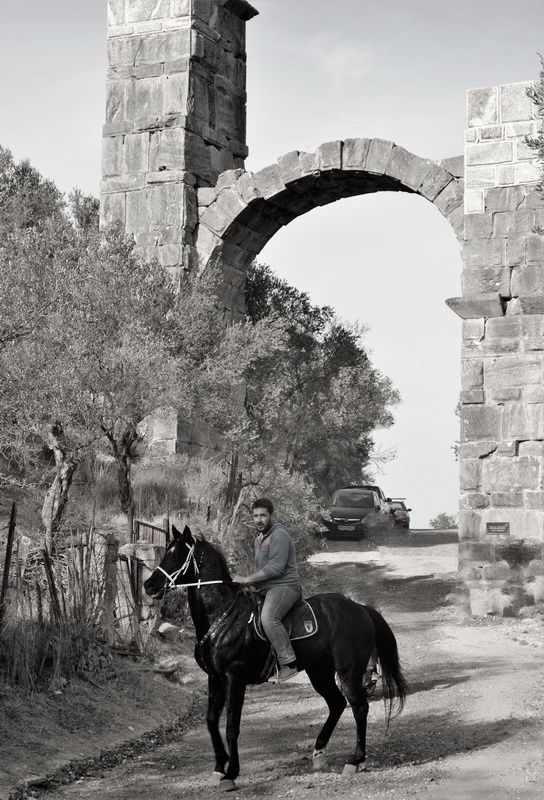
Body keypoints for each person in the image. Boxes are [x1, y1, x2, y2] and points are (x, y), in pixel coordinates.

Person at [232, 498, 301, 682]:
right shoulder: (260, 538)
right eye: (255, 516)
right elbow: (262, 569)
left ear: (272, 515)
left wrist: (246, 579)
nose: (259, 520)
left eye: (263, 515)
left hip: (284, 586)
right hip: (266, 588)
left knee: (268, 617)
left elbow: (276, 568)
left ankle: (288, 663)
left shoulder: (279, 534)